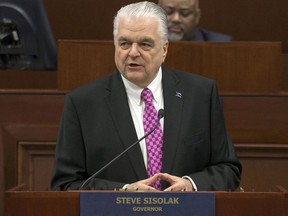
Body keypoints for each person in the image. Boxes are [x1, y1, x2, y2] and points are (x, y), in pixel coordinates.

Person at [50, 1, 241, 192]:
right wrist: (123, 191)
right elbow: (65, 184)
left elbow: (228, 170)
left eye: (145, 44)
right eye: (124, 43)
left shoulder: (200, 94)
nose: (133, 53)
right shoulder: (83, 103)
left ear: (164, 49)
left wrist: (190, 185)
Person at [158, 0, 232, 41]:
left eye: (185, 13)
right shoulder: (147, 42)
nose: (176, 19)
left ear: (197, 16)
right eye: (168, 12)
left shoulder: (220, 44)